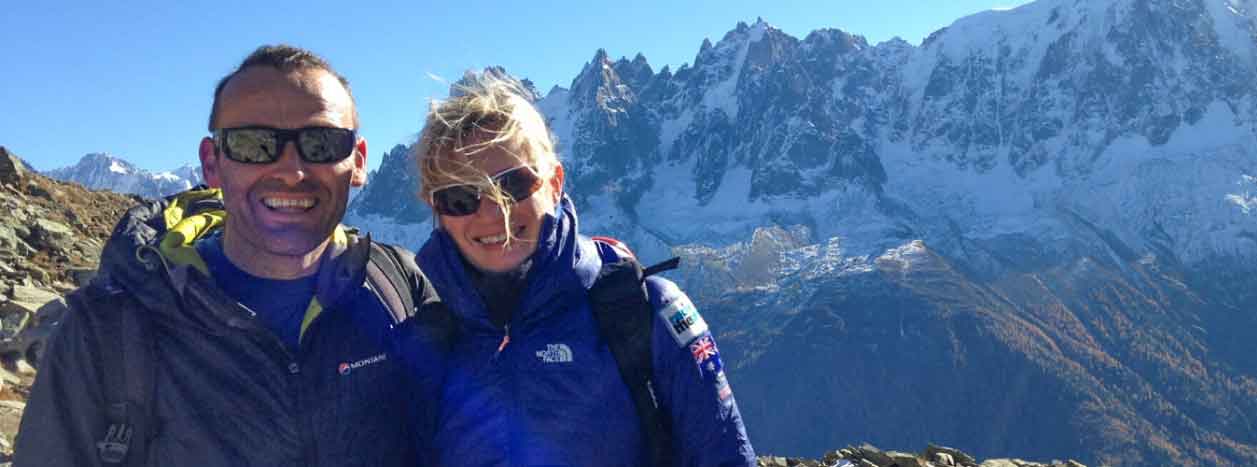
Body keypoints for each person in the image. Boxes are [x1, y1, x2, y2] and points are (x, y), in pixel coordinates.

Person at [15, 45, 438, 466]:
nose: (291, 171)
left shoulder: (397, 287)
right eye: (253, 144)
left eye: (322, 143)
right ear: (211, 163)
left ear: (358, 161)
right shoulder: (109, 326)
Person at [411, 71, 757, 466]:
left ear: (555, 182)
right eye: (459, 197)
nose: (494, 213)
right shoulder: (412, 326)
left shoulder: (642, 310)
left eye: (513, 185)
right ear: (434, 207)